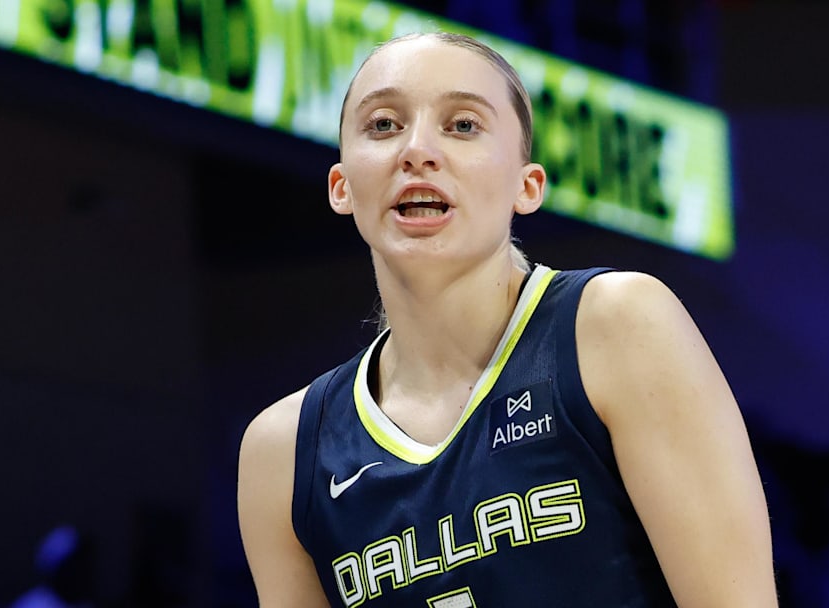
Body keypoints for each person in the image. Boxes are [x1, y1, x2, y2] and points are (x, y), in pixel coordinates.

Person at [238, 31, 777, 607]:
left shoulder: (617, 324)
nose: (417, 151)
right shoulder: (284, 452)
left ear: (527, 186)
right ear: (342, 187)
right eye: (384, 125)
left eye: (462, 125)